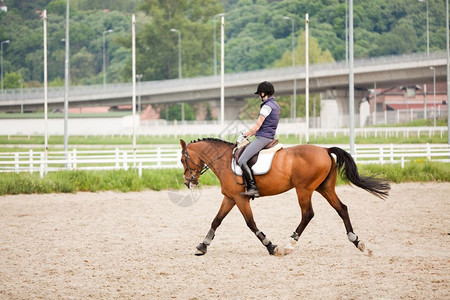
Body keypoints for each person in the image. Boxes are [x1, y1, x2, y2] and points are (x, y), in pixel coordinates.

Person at [237, 81, 280, 198]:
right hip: (269, 136)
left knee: (242, 160)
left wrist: (245, 135)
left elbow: (257, 127)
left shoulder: (266, 107)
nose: (259, 97)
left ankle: (252, 188)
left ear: (263, 93)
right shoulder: (275, 105)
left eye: (259, 94)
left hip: (263, 137)